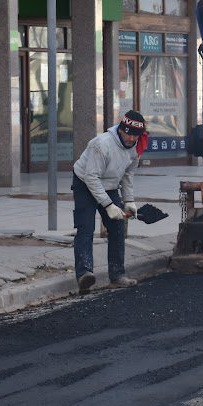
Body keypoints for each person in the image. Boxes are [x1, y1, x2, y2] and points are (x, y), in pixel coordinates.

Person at [72, 110, 144, 294]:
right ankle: (84, 274)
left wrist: (129, 201)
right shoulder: (102, 144)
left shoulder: (136, 148)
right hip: (85, 183)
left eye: (134, 135)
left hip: (110, 185)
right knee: (86, 228)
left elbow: (128, 175)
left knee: (118, 227)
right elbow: (91, 178)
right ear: (120, 130)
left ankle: (117, 275)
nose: (130, 138)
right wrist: (108, 205)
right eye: (127, 133)